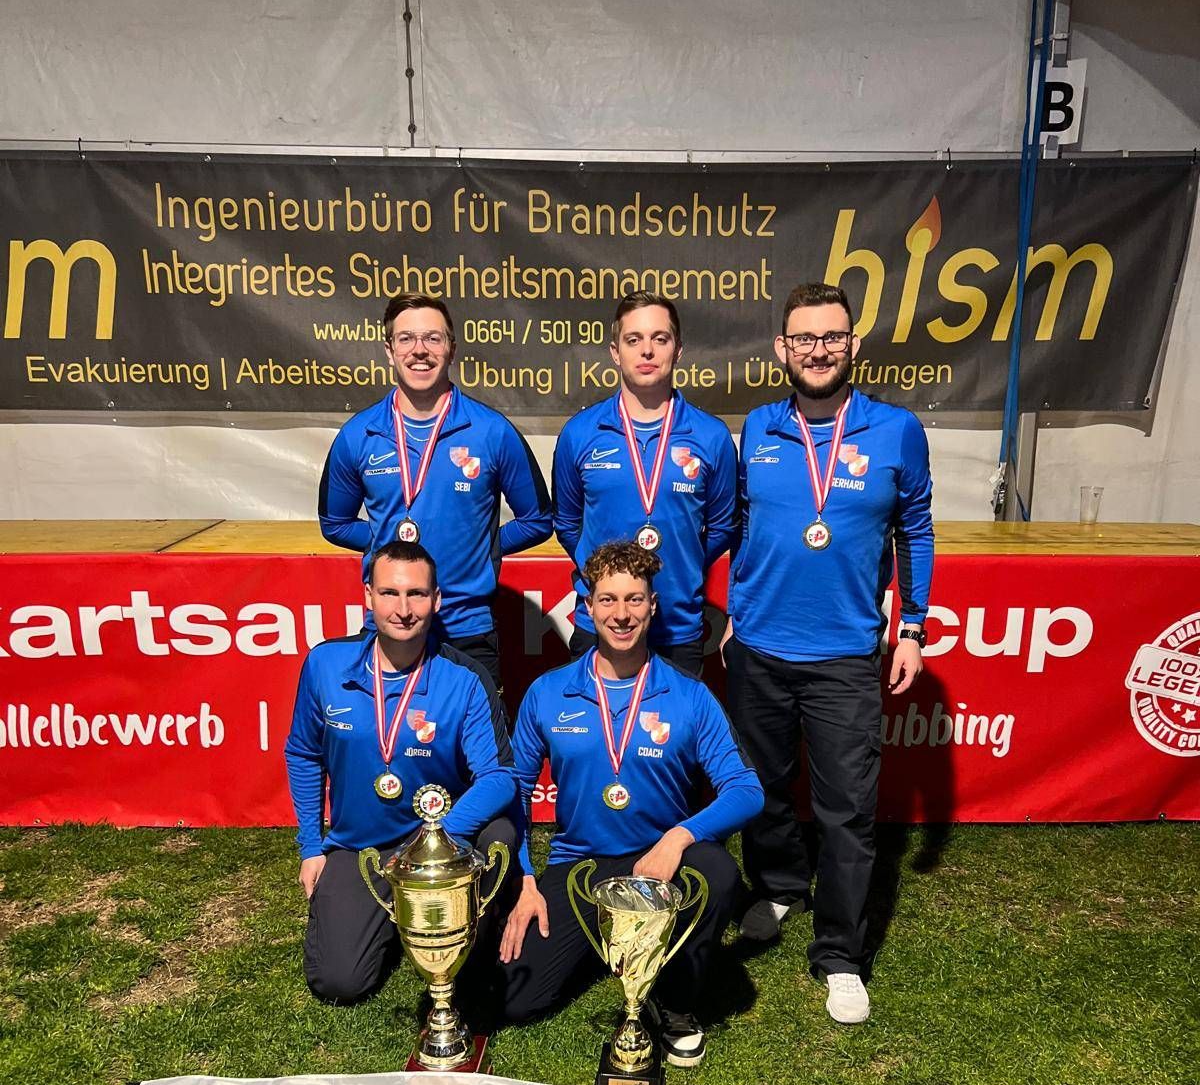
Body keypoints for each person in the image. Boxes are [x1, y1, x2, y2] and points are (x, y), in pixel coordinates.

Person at [723, 282, 934, 1026]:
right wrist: (736, 611)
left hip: (845, 654)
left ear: (853, 345)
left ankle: (840, 955)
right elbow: (743, 525)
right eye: (804, 338)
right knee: (764, 787)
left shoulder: (896, 430)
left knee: (848, 811)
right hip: (758, 647)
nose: (818, 351)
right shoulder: (758, 427)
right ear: (782, 348)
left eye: (832, 337)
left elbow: (915, 529)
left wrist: (912, 627)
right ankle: (780, 884)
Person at [499, 540, 763, 1065]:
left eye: (634, 599)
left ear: (653, 606)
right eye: (609, 600)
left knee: (717, 873)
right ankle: (615, 943)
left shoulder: (688, 695)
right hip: (582, 865)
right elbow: (515, 793)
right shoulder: (549, 693)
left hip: (660, 865)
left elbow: (746, 788)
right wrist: (525, 880)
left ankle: (676, 1000)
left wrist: (679, 837)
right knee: (517, 999)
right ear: (588, 607)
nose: (621, 614)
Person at [284, 540, 517, 1006]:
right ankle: (388, 918)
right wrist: (311, 847)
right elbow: (304, 753)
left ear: (437, 600)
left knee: (500, 835)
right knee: (340, 983)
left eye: (416, 594)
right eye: (390, 593)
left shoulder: (465, 677)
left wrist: (436, 837)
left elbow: (499, 776)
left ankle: (472, 928)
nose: (404, 609)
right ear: (368, 596)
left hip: (441, 845)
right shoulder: (325, 665)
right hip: (361, 847)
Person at [318, 292, 552, 693]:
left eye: (433, 338)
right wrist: (384, 542)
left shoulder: (492, 431)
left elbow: (538, 519)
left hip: (467, 630)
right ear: (389, 350)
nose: (419, 350)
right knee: (387, 735)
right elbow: (334, 523)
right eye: (406, 339)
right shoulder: (359, 434)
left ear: (452, 349)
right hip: (389, 626)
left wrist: (482, 545)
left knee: (477, 736)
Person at [552, 292, 737, 677]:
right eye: (633, 339)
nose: (647, 350)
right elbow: (567, 523)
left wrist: (682, 564)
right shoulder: (580, 433)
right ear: (615, 352)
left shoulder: (712, 437)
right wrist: (602, 571)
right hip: (600, 623)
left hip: (677, 627)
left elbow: (722, 527)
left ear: (678, 349)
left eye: (660, 338)